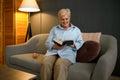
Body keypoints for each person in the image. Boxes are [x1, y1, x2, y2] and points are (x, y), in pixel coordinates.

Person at [40, 8, 84, 80]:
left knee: (60, 65)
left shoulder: (76, 30)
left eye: (66, 19)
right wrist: (56, 46)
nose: (65, 21)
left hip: (67, 53)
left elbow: (80, 42)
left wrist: (73, 45)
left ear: (69, 18)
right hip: (53, 52)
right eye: (62, 19)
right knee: (45, 63)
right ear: (59, 19)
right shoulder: (54, 29)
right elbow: (47, 42)